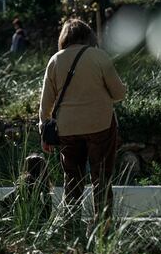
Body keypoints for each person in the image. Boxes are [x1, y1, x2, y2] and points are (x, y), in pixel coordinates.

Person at [39, 18, 126, 228]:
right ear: (88, 36)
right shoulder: (99, 56)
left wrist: (44, 131)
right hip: (100, 126)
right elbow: (119, 94)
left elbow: (45, 104)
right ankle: (103, 226)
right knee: (101, 178)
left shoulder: (55, 60)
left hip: (67, 129)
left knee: (72, 178)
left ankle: (70, 226)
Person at [0, 153, 52, 222]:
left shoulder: (25, 184)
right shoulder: (45, 185)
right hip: (38, 220)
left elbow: (10, 199)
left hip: (22, 219)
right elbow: (48, 209)